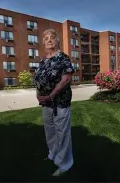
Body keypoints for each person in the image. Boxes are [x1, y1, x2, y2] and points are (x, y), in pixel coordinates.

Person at [34, 29, 75, 177]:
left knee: (62, 134)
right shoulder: (43, 61)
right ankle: (53, 155)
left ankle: (65, 164)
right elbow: (38, 80)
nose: (49, 40)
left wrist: (51, 95)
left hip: (60, 103)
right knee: (50, 132)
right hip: (45, 104)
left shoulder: (63, 57)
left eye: (52, 37)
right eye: (46, 38)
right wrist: (38, 95)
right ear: (44, 42)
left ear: (57, 41)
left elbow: (66, 79)